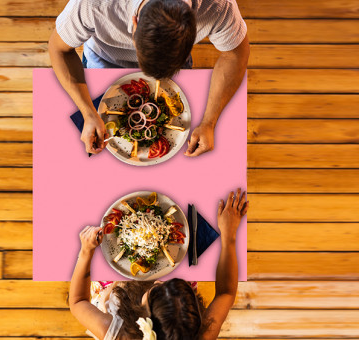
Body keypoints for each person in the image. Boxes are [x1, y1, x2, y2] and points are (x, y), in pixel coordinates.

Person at [49, 0, 250, 156]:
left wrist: (209, 123)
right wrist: (87, 113)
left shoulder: (218, 6)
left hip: (177, 70)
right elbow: (58, 49)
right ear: (134, 24)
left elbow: (236, 54)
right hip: (103, 60)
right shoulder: (92, 5)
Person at [69, 188, 248, 339]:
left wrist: (86, 251)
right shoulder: (201, 335)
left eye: (157, 289)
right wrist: (229, 235)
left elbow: (77, 302)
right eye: (172, 283)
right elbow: (226, 294)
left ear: (144, 318)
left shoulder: (119, 334)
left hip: (116, 291)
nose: (159, 281)